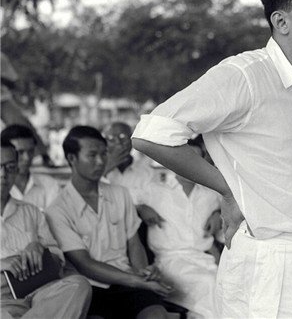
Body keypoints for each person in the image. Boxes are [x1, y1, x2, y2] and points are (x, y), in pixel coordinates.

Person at [131, 0, 292, 318]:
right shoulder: (245, 75)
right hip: (274, 262)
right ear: (281, 21)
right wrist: (227, 188)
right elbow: (152, 133)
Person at [45, 126, 173, 319]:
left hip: (128, 282)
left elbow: (134, 244)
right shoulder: (57, 209)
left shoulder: (120, 194)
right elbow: (84, 264)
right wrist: (138, 281)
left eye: (104, 154)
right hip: (88, 288)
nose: (100, 161)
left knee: (157, 315)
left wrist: (144, 273)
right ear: (72, 158)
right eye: (92, 155)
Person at [1, 140, 92, 319]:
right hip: (2, 298)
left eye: (10, 167)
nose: (3, 174)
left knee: (78, 285)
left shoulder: (31, 211)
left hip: (39, 291)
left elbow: (58, 261)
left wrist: (41, 250)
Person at [144, 168, 221, 318]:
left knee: (228, 284)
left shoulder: (210, 194)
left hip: (204, 259)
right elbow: (123, 201)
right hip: (170, 261)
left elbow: (229, 209)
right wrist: (141, 208)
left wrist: (218, 213)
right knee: (208, 282)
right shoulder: (155, 188)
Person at [103, 121, 165, 227]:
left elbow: (153, 203)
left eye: (123, 137)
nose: (118, 142)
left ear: (132, 140)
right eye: (111, 139)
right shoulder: (95, 172)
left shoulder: (146, 172)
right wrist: (107, 167)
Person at [1, 124, 61, 211]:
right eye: (20, 152)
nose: (27, 158)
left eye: (30, 151)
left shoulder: (50, 185)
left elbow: (56, 221)